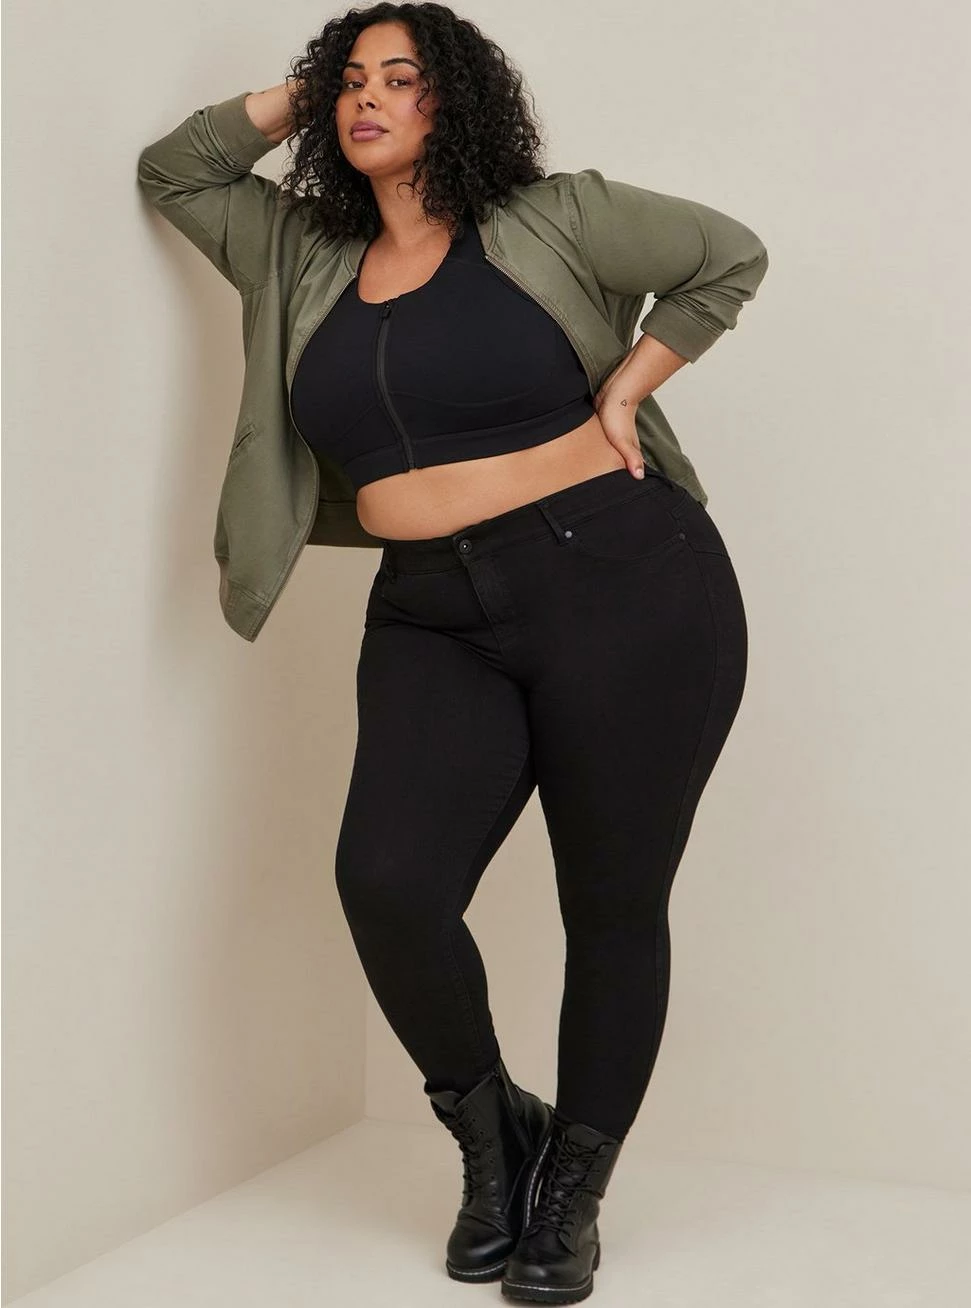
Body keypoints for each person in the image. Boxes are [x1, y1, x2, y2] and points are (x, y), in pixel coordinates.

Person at [138, 4, 768, 1302]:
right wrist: (302, 83)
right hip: (431, 608)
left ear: (456, 101)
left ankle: (572, 1192)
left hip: (625, 582)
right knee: (388, 881)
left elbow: (726, 256)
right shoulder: (299, 251)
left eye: (399, 78)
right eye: (349, 81)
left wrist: (628, 385)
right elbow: (177, 170)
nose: (366, 98)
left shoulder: (553, 217)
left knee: (610, 903)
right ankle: (496, 1141)